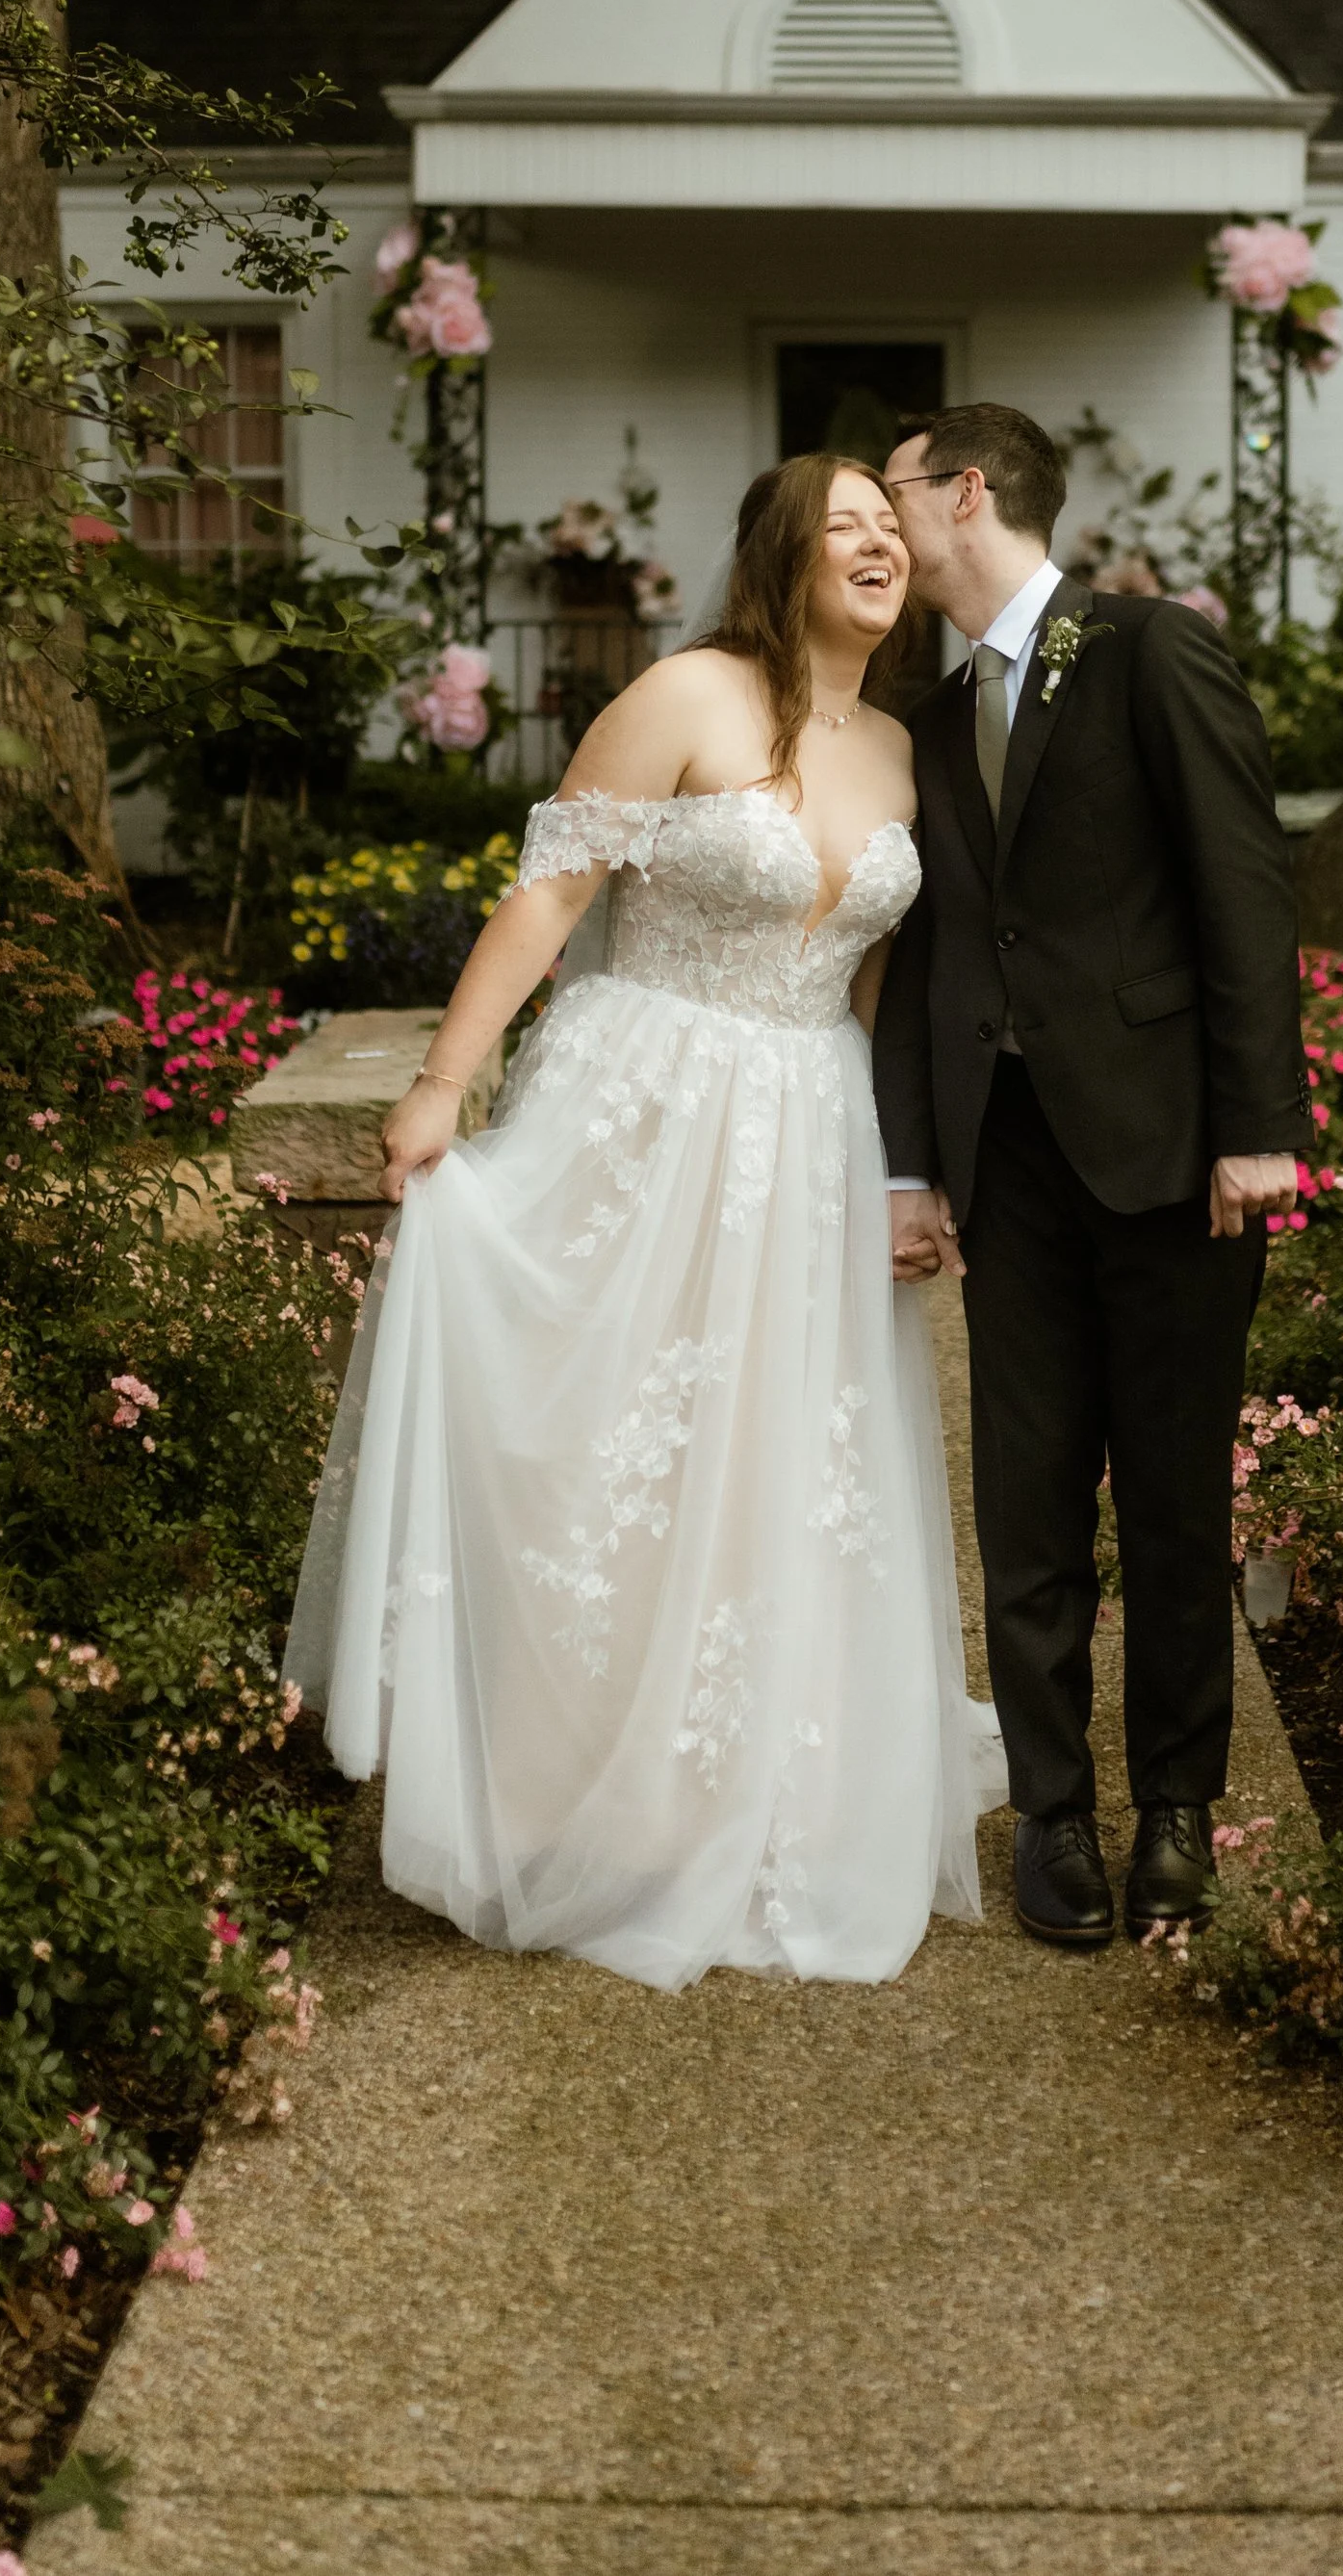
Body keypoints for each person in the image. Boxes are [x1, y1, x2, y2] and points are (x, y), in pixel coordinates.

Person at [282, 456, 990, 1991]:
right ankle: (565, 1794)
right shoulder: (682, 695)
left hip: (814, 1122)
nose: (877, 548)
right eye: (846, 528)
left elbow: (878, 981)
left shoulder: (903, 752)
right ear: (783, 557)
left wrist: (902, 1174)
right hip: (646, 1104)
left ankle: (743, 1790)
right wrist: (439, 1088)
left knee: (772, 1459)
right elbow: (548, 897)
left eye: (892, 531)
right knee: (613, 1449)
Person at [874, 405, 1309, 1952]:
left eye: (897, 491)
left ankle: (1177, 1810)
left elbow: (1243, 892)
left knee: (1179, 1502)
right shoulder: (922, 726)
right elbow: (928, 961)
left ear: (967, 493)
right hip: (1012, 1174)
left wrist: (1262, 1128)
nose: (879, 518)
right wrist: (913, 1164)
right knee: (1031, 1503)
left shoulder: (1147, 651)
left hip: (1176, 1156)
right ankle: (1055, 1817)